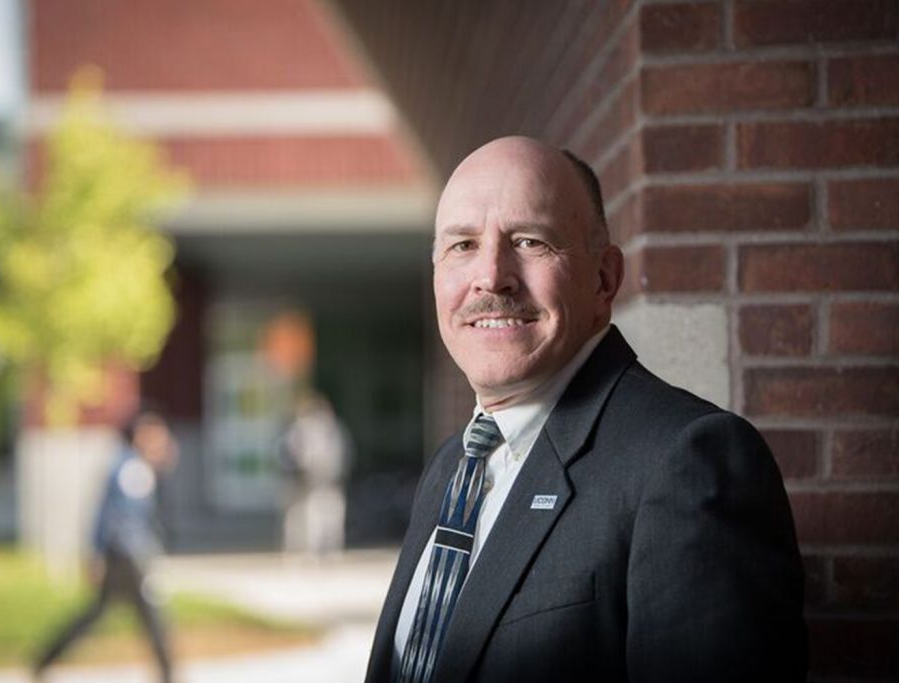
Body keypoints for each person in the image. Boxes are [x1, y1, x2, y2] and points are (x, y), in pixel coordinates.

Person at [365, 136, 806, 682]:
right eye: (462, 246)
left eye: (529, 241)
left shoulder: (688, 462)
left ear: (604, 279)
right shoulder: (451, 467)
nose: (491, 276)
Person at [33, 407, 178, 683]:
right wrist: (97, 552)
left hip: (123, 554)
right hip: (127, 556)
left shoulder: (134, 465)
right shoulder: (131, 469)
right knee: (151, 615)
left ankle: (45, 659)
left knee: (97, 613)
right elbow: (111, 516)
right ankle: (169, 675)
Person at [280, 391, 352, 558]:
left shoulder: (334, 430)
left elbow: (343, 455)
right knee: (308, 518)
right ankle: (308, 551)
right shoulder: (301, 430)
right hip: (306, 483)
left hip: (330, 481)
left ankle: (331, 550)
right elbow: (293, 455)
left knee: (332, 516)